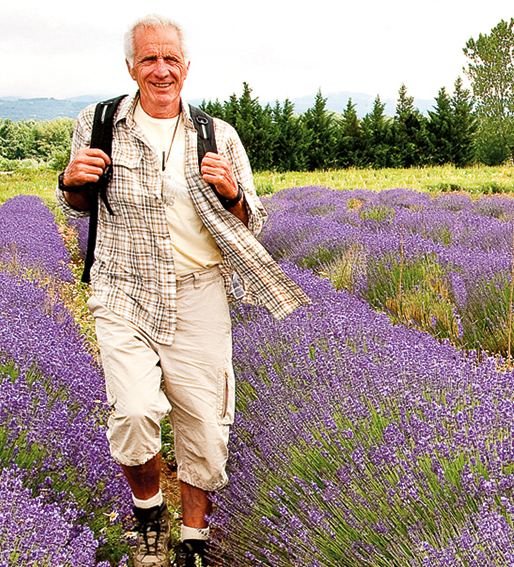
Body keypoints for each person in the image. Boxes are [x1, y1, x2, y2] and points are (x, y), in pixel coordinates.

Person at [57, 14, 308, 567]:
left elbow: (252, 219)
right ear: (131, 67)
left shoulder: (217, 136)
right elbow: (77, 203)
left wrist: (232, 192)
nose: (161, 69)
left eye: (171, 58)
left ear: (187, 67)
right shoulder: (97, 124)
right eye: (149, 58)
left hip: (200, 291)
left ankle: (193, 540)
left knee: (206, 429)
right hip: (123, 288)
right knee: (134, 412)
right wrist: (71, 182)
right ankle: (149, 513)